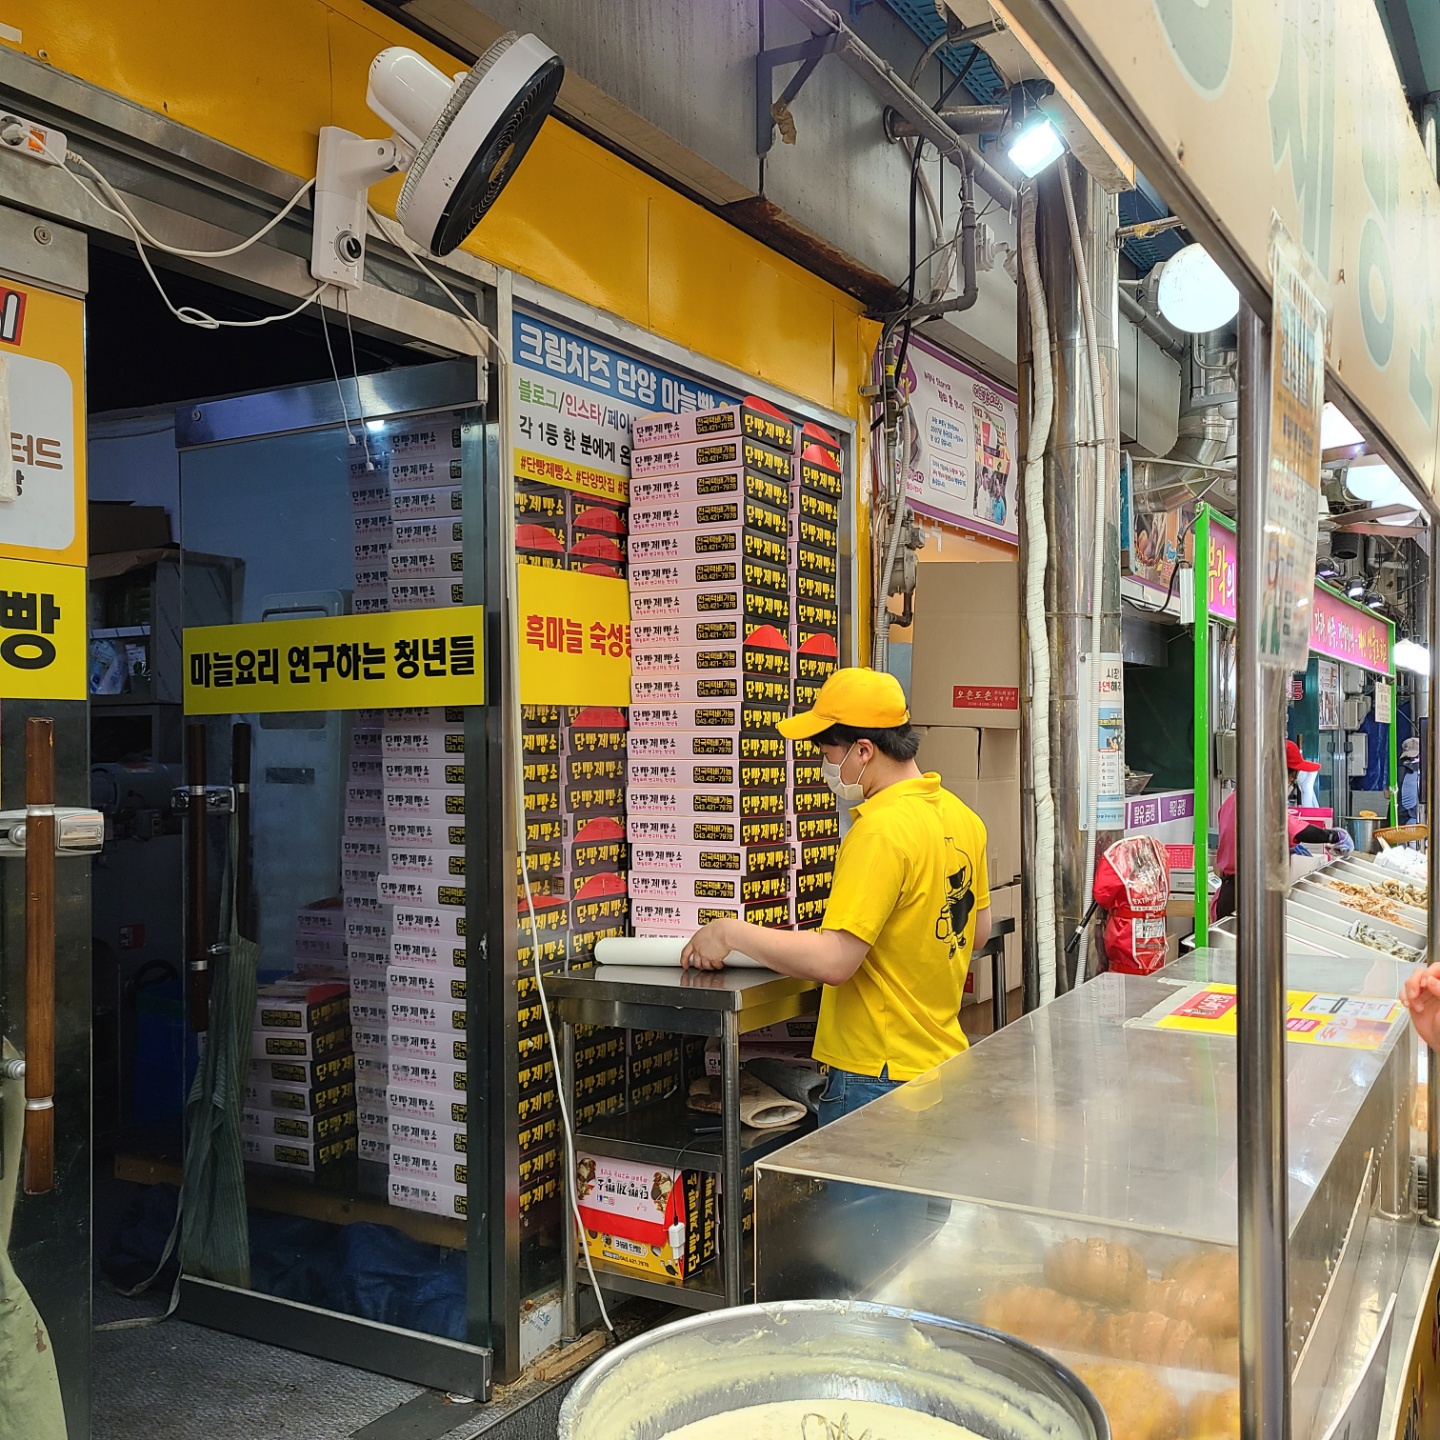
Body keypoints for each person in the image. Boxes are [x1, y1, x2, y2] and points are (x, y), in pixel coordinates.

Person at [679, 667, 991, 1125]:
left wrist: (729, 932)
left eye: (829, 754)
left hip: (877, 1075)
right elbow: (977, 933)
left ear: (865, 750)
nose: (825, 769)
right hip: (940, 1064)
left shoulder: (880, 831)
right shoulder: (962, 818)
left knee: (862, 1199)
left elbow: (834, 961)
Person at [1212, 739, 1352, 921]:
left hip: (1232, 892)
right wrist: (1333, 835)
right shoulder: (1259, 799)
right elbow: (1294, 828)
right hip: (1246, 898)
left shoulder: (1235, 798)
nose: (1291, 784)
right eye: (1292, 778)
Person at [1399, 735, 1422, 825]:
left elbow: (1387, 794)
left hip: (1402, 818)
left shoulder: (1398, 769)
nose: (1413, 758)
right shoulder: (1427, 769)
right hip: (1414, 817)